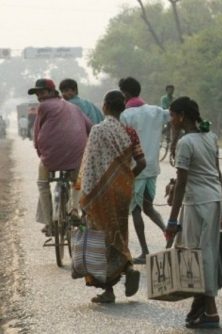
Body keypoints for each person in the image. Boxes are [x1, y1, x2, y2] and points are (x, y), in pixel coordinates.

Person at [77, 90, 146, 303]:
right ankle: (127, 266)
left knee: (102, 239)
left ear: (105, 106)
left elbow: (89, 167)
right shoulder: (130, 132)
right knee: (118, 233)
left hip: (99, 194)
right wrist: (125, 180)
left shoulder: (98, 131)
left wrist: (83, 196)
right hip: (122, 192)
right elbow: (142, 163)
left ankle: (108, 290)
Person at [164, 96, 222, 329]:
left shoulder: (186, 143)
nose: (170, 121)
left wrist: (172, 219)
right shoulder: (210, 136)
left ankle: (211, 312)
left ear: (181, 116)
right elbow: (217, 173)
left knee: (199, 256)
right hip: (213, 199)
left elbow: (181, 183)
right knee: (207, 252)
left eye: (172, 116)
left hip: (197, 204)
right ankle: (202, 306)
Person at [28, 78, 92, 236]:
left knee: (43, 184)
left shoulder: (43, 106)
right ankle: (74, 209)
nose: (39, 96)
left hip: (51, 157)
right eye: (37, 94)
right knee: (77, 181)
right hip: (77, 154)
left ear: (51, 92)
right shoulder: (73, 106)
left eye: (42, 92)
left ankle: (49, 223)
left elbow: (37, 134)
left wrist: (40, 154)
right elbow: (90, 127)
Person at [119, 76, 170, 264]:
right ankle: (168, 232)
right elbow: (171, 116)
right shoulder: (156, 111)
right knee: (148, 206)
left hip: (135, 169)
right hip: (153, 168)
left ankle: (145, 251)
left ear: (125, 93)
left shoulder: (126, 115)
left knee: (136, 210)